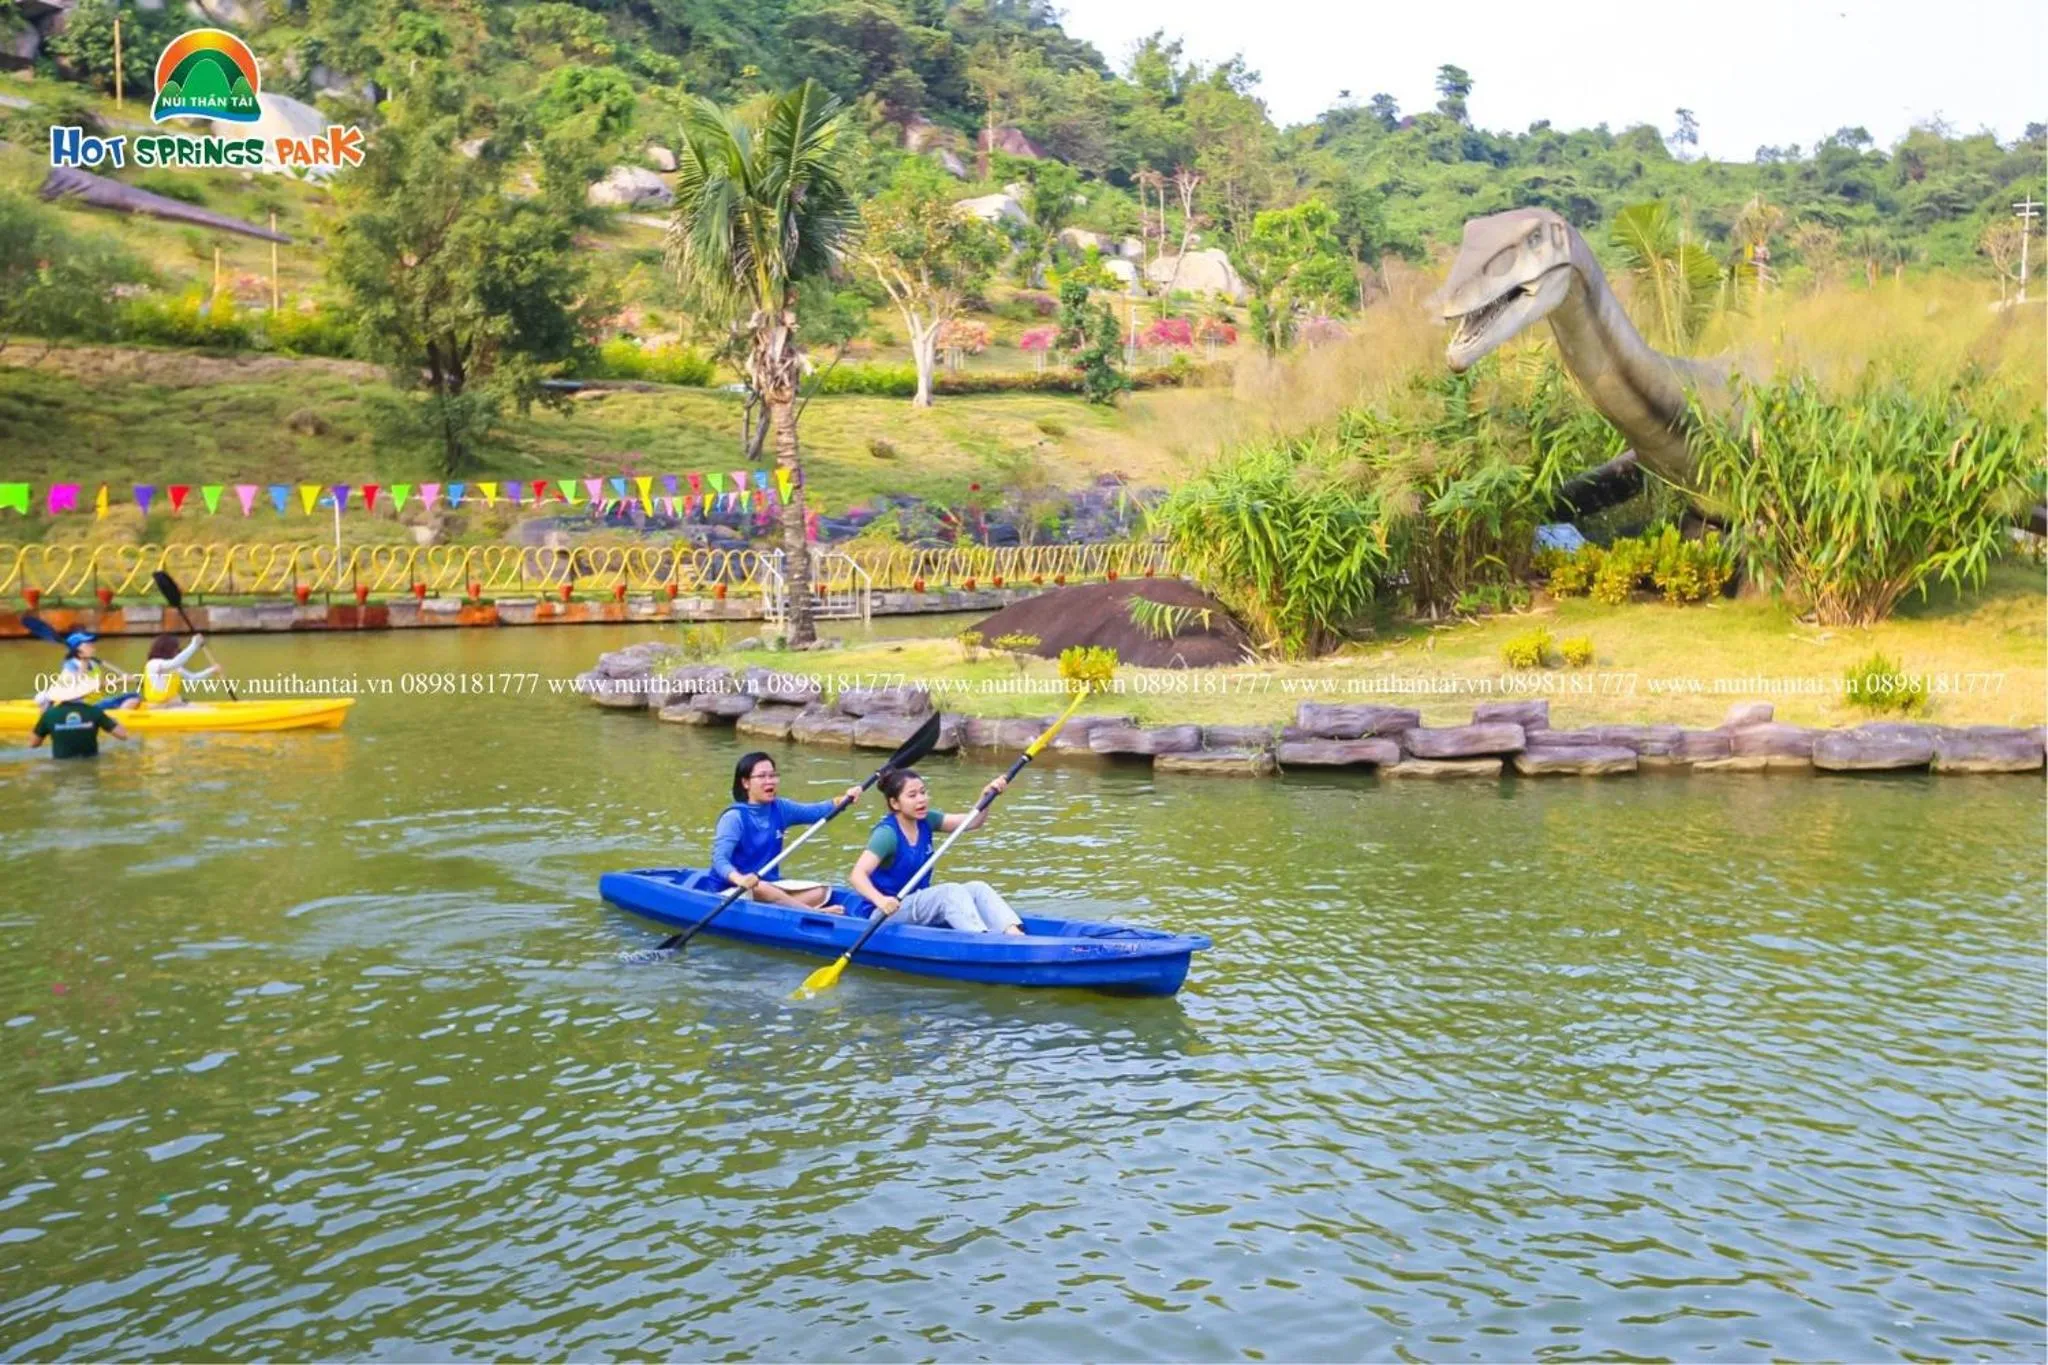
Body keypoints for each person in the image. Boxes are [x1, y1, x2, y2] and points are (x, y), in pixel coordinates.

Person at [848, 767, 1026, 934]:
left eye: (923, 792)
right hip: (885, 913)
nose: (921, 799)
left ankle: (1013, 934)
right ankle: (980, 939)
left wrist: (987, 797)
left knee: (978, 888)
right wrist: (881, 900)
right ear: (895, 803)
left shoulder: (926, 820)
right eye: (912, 795)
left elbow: (972, 822)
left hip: (917, 902)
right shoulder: (886, 835)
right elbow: (857, 875)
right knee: (949, 892)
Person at [711, 752, 866, 909]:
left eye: (772, 776)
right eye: (762, 776)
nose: (769, 781)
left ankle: (784, 907)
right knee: (759, 887)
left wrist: (845, 799)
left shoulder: (781, 808)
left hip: (769, 886)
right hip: (733, 891)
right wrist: (741, 880)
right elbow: (720, 860)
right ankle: (815, 913)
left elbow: (816, 812)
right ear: (746, 783)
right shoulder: (733, 817)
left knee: (820, 892)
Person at [29, 673, 128, 759]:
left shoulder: (49, 715)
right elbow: (122, 735)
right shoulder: (94, 712)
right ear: (83, 693)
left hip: (61, 767)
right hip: (90, 764)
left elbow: (33, 744)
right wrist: (112, 720)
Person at [34, 632, 139, 710]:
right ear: (77, 650)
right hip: (83, 705)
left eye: (91, 644)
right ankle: (113, 721)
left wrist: (124, 680)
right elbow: (80, 685)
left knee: (134, 696)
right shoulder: (70, 665)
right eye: (88, 645)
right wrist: (121, 680)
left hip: (98, 702)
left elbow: (102, 685)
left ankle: (117, 717)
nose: (93, 647)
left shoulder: (93, 663)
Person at [136, 632, 218, 708]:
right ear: (167, 649)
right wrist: (194, 645)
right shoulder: (154, 664)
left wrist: (212, 670)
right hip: (159, 707)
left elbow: (192, 678)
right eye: (176, 649)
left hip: (174, 703)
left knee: (208, 709)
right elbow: (175, 662)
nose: (178, 652)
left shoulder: (173, 667)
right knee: (201, 711)